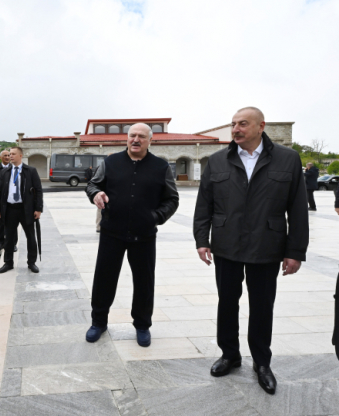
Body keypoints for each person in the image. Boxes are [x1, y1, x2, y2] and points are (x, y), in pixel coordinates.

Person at [193, 107, 308, 395]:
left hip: (267, 245)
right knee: (227, 301)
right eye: (233, 124)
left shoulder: (287, 159)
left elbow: (297, 209)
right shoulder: (218, 160)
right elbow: (203, 204)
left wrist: (295, 251)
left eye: (242, 124)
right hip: (226, 244)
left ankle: (261, 362)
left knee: (262, 305)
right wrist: (201, 240)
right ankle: (230, 355)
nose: (235, 129)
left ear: (261, 126)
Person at [85, 124, 179, 348]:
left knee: (144, 282)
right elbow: (93, 184)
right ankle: (98, 322)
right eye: (132, 136)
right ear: (126, 139)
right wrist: (96, 194)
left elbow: (172, 199)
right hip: (112, 232)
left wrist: (155, 217)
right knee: (104, 279)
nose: (136, 140)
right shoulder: (110, 163)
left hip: (144, 235)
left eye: (141, 136)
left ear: (150, 140)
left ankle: (142, 325)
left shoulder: (161, 167)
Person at [0, 147, 43, 274]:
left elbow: (38, 190)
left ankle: (31, 263)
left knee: (31, 237)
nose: (10, 156)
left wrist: (38, 209)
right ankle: (8, 263)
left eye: (13, 154)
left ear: (21, 155)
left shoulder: (30, 171)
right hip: (10, 209)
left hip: (26, 209)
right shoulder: (5, 172)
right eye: (9, 154)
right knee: (9, 238)